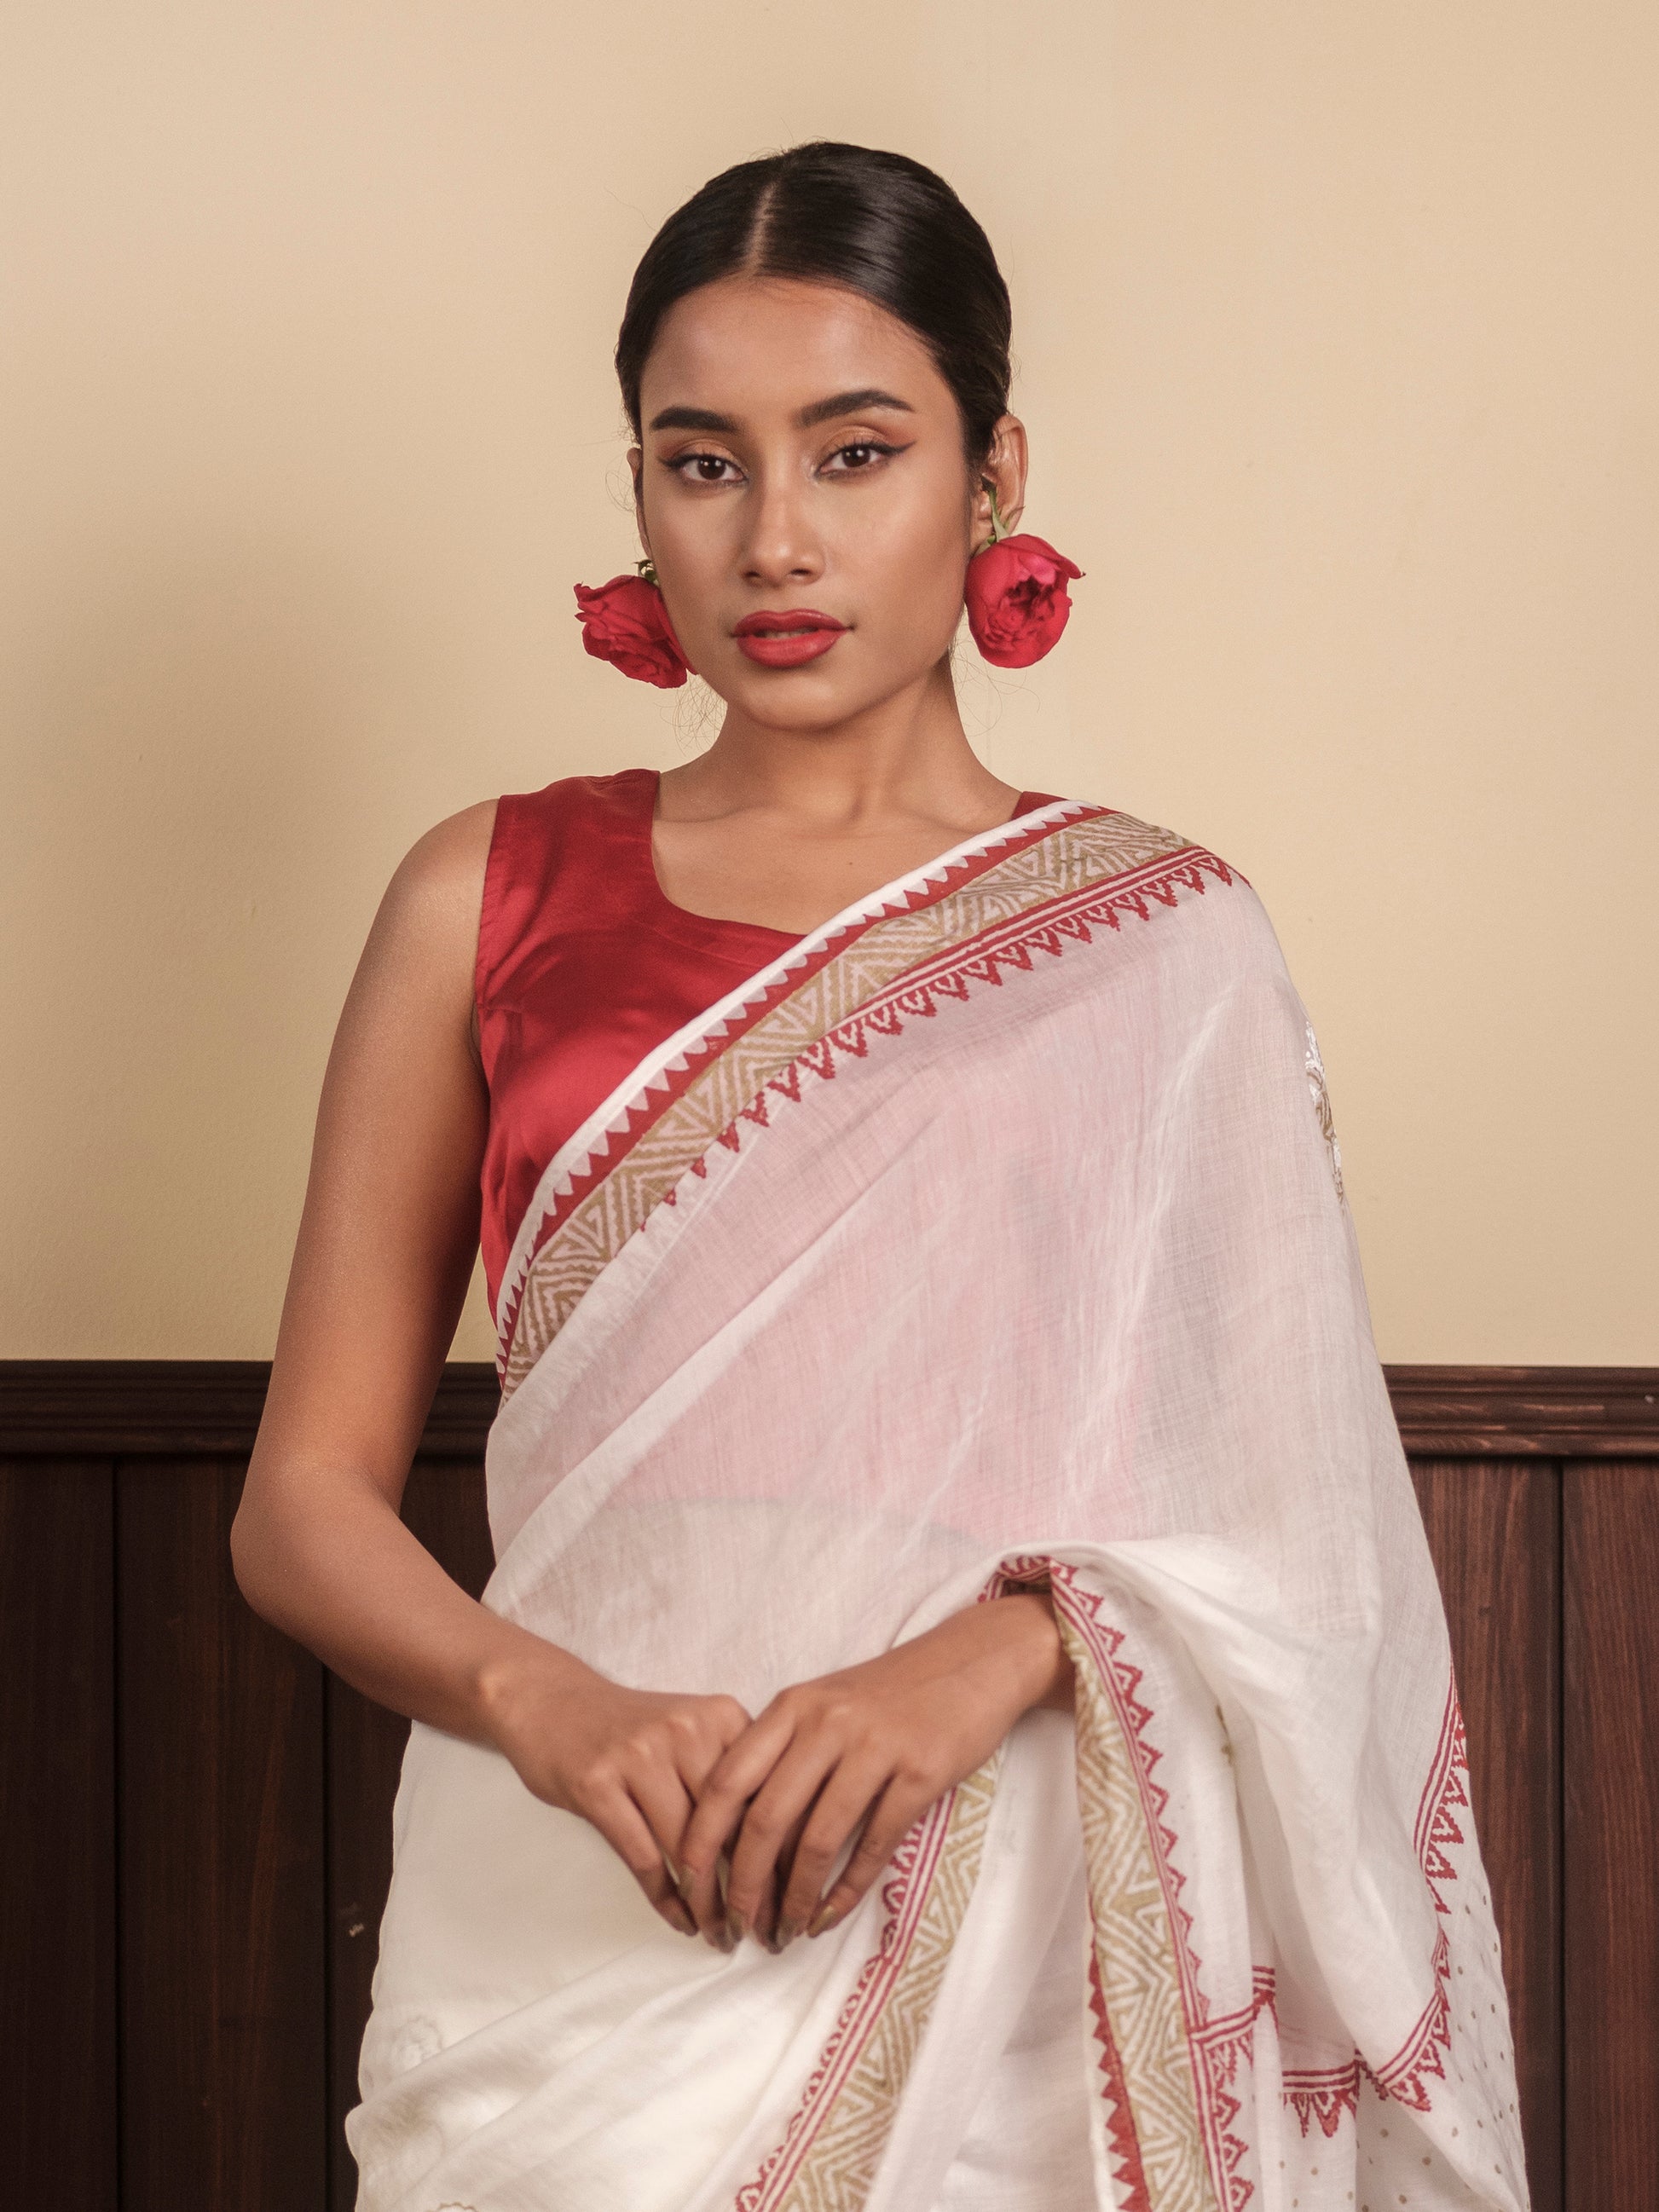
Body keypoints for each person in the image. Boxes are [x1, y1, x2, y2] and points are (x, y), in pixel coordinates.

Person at [232, 141, 1530, 2211]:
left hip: (1013, 1894)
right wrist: (551, 1709)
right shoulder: (486, 893)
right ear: (637, 488)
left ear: (991, 472)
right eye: (702, 462)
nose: (774, 537)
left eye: (854, 452)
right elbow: (301, 1503)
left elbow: (1296, 1536)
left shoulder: (1164, 943)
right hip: (573, 1895)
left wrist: (993, 1657)